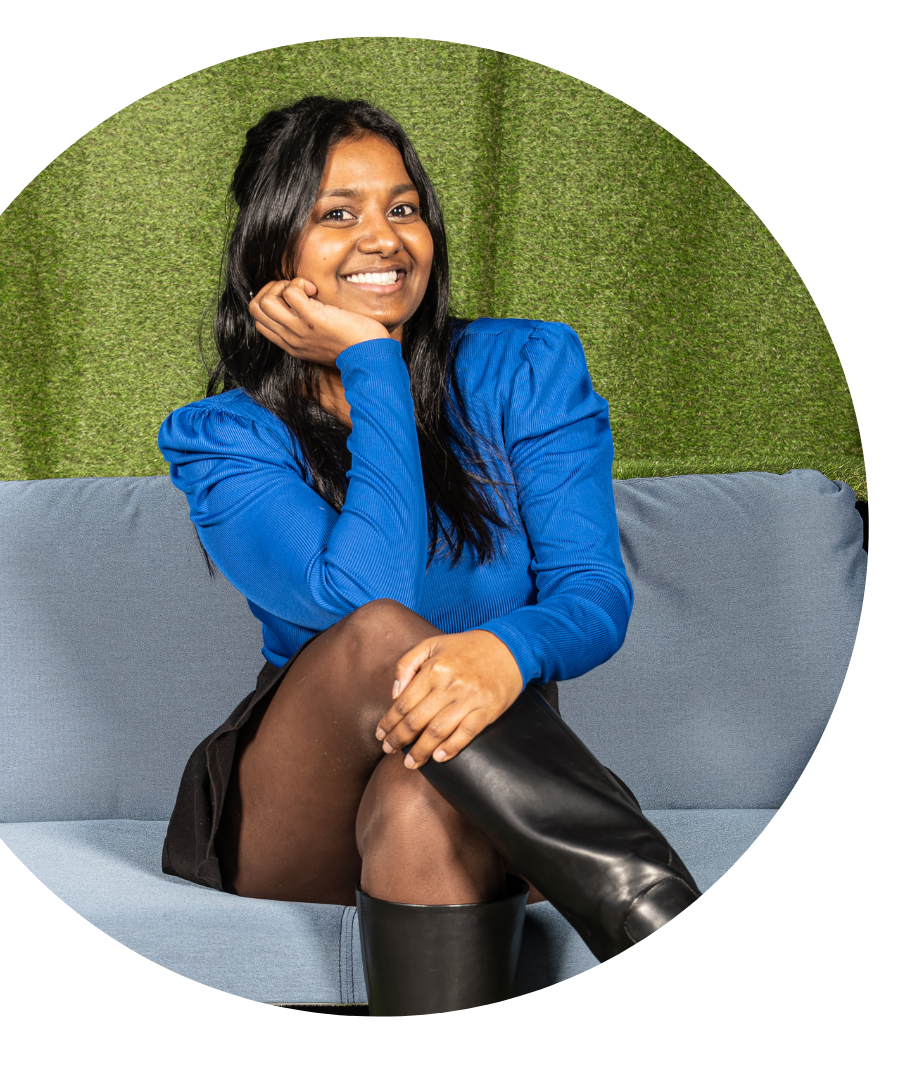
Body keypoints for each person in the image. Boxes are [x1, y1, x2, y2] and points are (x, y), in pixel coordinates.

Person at [158, 96, 701, 1015]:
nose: (385, 238)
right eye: (338, 213)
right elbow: (363, 596)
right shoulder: (222, 437)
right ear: (272, 246)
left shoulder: (523, 369)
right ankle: (651, 903)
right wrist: (372, 363)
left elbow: (593, 594)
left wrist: (505, 652)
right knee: (379, 632)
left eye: (403, 208)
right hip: (300, 797)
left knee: (425, 798)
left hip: (490, 773)